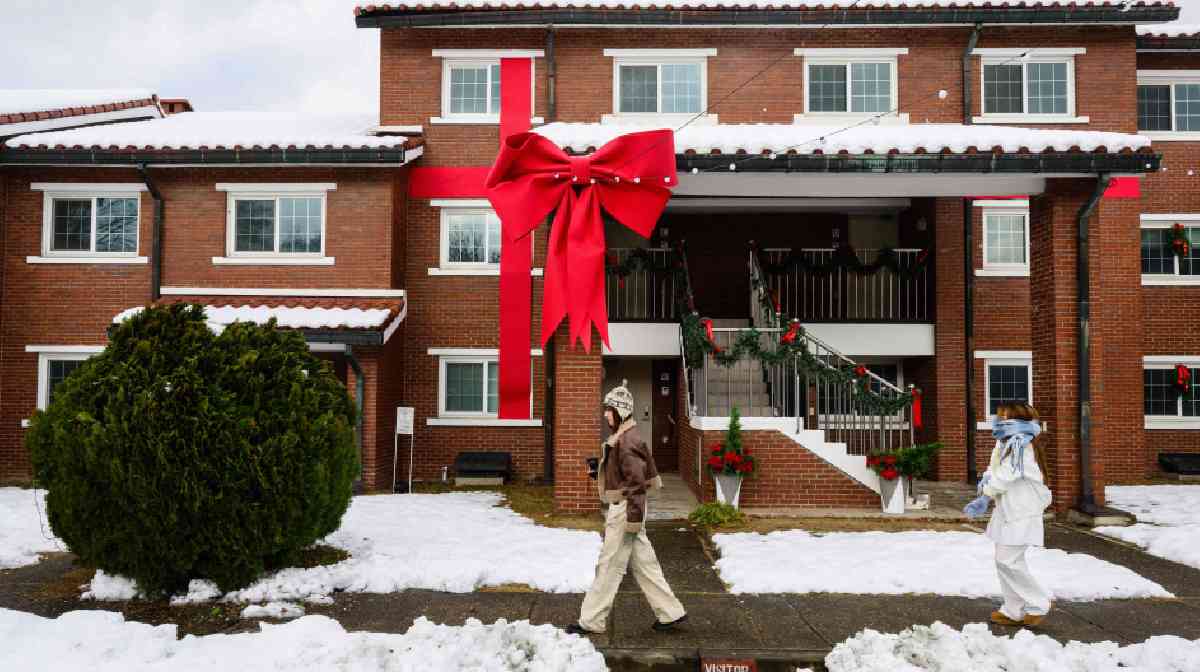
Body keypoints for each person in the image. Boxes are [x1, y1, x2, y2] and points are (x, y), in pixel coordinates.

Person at [566, 381, 688, 635]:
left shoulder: (627, 441)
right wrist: (597, 470)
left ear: (620, 412)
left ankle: (591, 621)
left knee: (609, 565)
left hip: (625, 511)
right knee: (645, 564)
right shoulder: (625, 436)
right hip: (628, 508)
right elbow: (625, 476)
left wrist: (633, 519)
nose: (605, 414)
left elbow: (636, 485)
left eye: (609, 410)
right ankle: (670, 613)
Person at [964, 402, 1054, 627]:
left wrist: (986, 495)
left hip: (1022, 511)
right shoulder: (1004, 442)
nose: (999, 421)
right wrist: (986, 480)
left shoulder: (1022, 444)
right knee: (1003, 561)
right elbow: (994, 468)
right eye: (998, 416)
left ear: (1017, 420)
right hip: (1007, 509)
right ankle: (1013, 610)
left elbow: (1008, 473)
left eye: (1003, 417)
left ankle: (1038, 603)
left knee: (1008, 560)